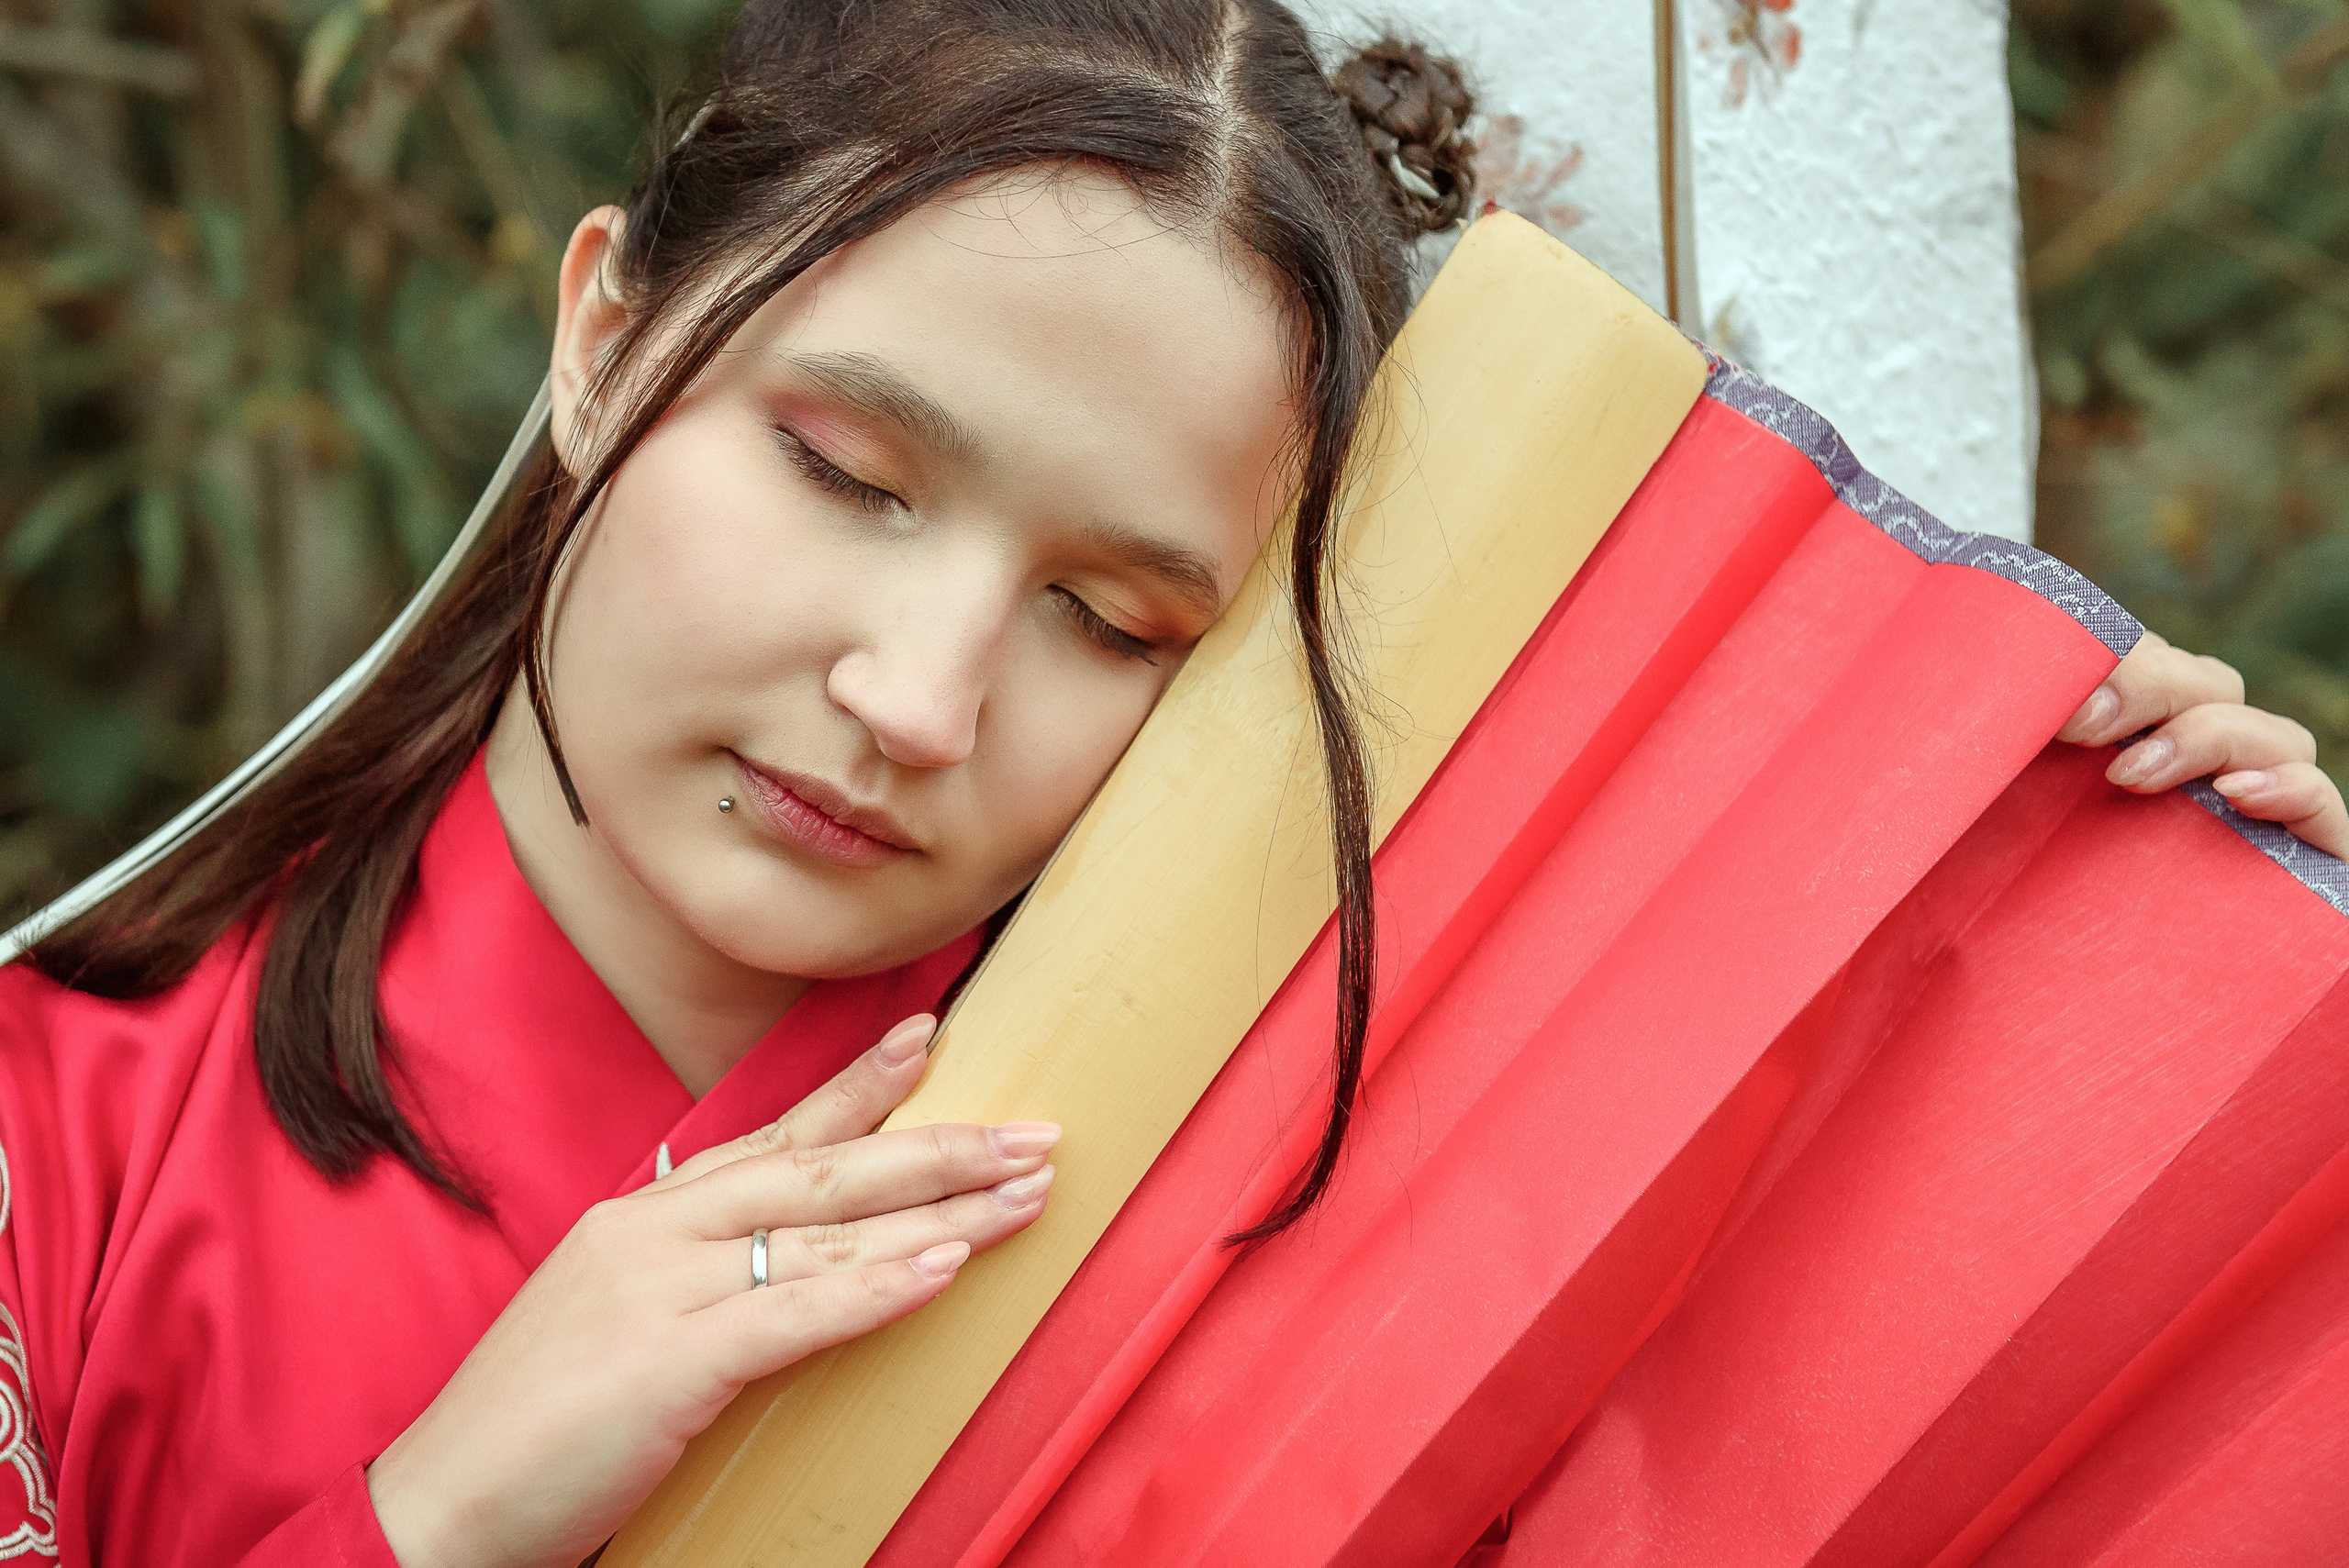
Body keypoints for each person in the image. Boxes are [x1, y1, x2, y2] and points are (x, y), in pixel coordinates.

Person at [0, 2, 2340, 1565]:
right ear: (607, 337)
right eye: (846, 474)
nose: (918, 699)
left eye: (1115, 624)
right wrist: (434, 1521)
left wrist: (2117, 999)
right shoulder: (43, 1148)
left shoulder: (1300, 1165)